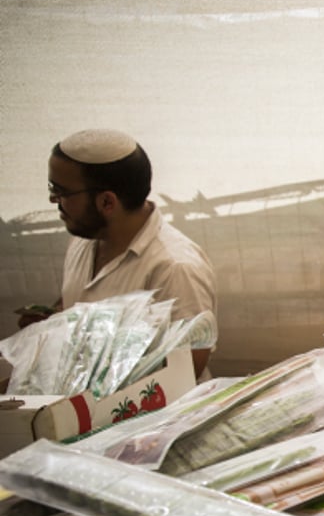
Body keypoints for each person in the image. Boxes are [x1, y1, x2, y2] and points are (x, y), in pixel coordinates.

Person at [44, 128, 217, 378]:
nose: (53, 200)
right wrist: (51, 322)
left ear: (107, 202)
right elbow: (81, 304)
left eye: (61, 192)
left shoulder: (175, 267)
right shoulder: (83, 241)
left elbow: (188, 367)